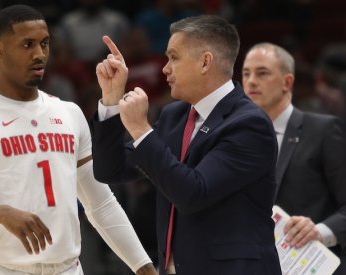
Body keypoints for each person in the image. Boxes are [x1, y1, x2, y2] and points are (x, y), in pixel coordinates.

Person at [0, 5, 156, 275]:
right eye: (27, 44)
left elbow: (101, 204)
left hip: (67, 268)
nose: (39, 54)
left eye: (44, 44)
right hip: (2, 268)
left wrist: (145, 269)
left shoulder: (69, 113)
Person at [90, 15, 281, 274]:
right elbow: (109, 170)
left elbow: (193, 194)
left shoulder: (248, 124)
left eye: (174, 57)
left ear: (205, 62)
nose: (165, 68)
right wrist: (111, 101)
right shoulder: (174, 116)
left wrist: (140, 129)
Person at [242, 42, 346, 274]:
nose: (251, 81)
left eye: (262, 73)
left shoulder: (324, 130)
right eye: (246, 74)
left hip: (322, 265)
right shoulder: (236, 141)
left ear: (288, 82)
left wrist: (319, 231)